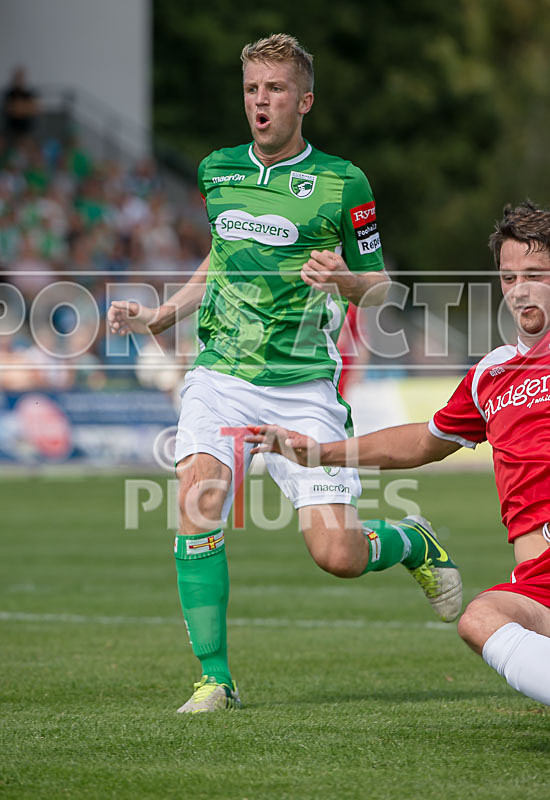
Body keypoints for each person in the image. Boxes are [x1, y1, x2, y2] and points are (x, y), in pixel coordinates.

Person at [108, 34, 462, 714]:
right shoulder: (217, 171)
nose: (259, 102)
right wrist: (163, 317)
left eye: (273, 90)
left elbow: (383, 288)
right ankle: (216, 680)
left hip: (303, 389)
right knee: (196, 502)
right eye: (250, 90)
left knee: (337, 554)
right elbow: (219, 257)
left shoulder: (343, 181)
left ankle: (411, 540)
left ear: (304, 100)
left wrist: (347, 279)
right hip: (220, 374)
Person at [247, 200, 550, 707]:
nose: (520, 289)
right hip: (538, 583)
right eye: (508, 276)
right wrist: (321, 452)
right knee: (479, 619)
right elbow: (419, 442)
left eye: (536, 274)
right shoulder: (490, 375)